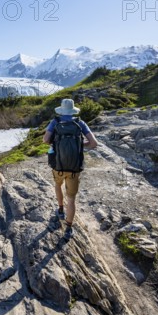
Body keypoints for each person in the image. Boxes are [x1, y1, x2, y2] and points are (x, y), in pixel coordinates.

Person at [43, 99, 98, 240]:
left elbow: (45, 140)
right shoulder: (80, 123)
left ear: (61, 110)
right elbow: (93, 144)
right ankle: (68, 228)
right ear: (73, 110)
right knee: (72, 199)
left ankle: (60, 210)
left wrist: (58, 142)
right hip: (75, 168)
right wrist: (80, 145)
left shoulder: (55, 122)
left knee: (57, 185)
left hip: (58, 165)